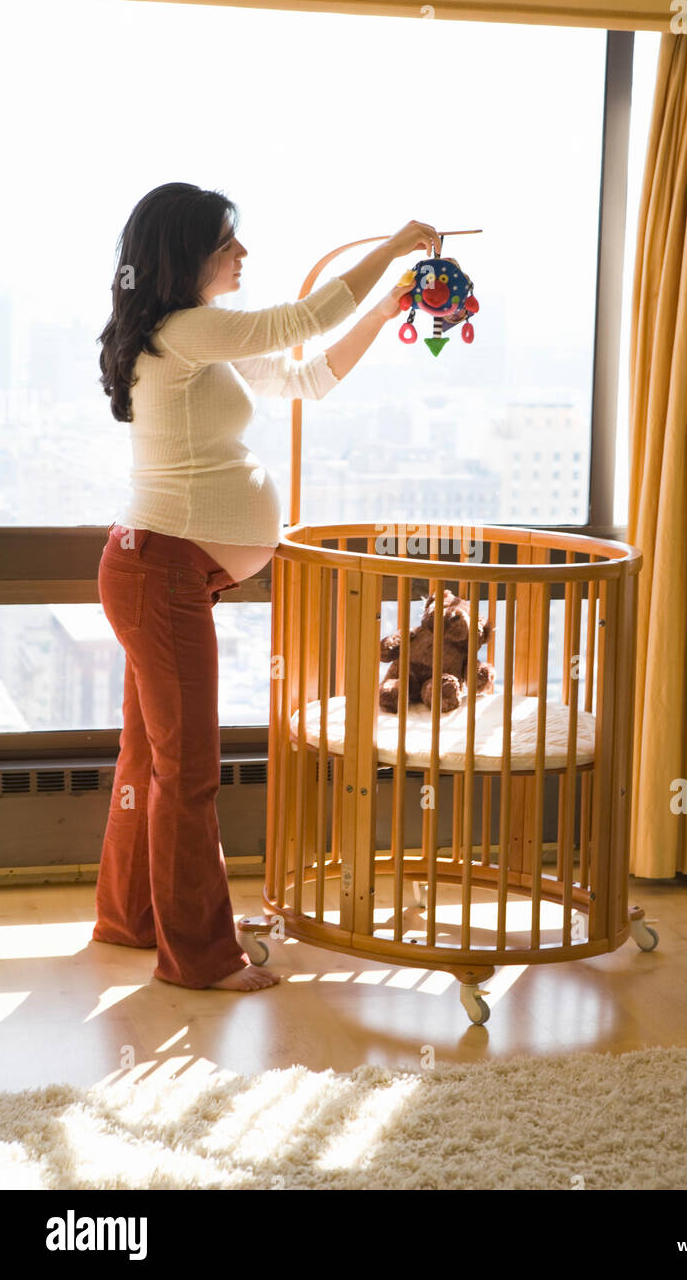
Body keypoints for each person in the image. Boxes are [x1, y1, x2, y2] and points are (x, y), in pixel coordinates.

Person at [95, 181, 440, 992]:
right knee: (187, 773)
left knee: (152, 762)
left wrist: (388, 307)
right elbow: (298, 321)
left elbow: (307, 375)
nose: (243, 254)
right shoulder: (185, 330)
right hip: (159, 569)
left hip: (161, 569)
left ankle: (134, 917)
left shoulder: (194, 339)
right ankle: (200, 959)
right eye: (228, 243)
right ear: (190, 257)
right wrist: (391, 245)